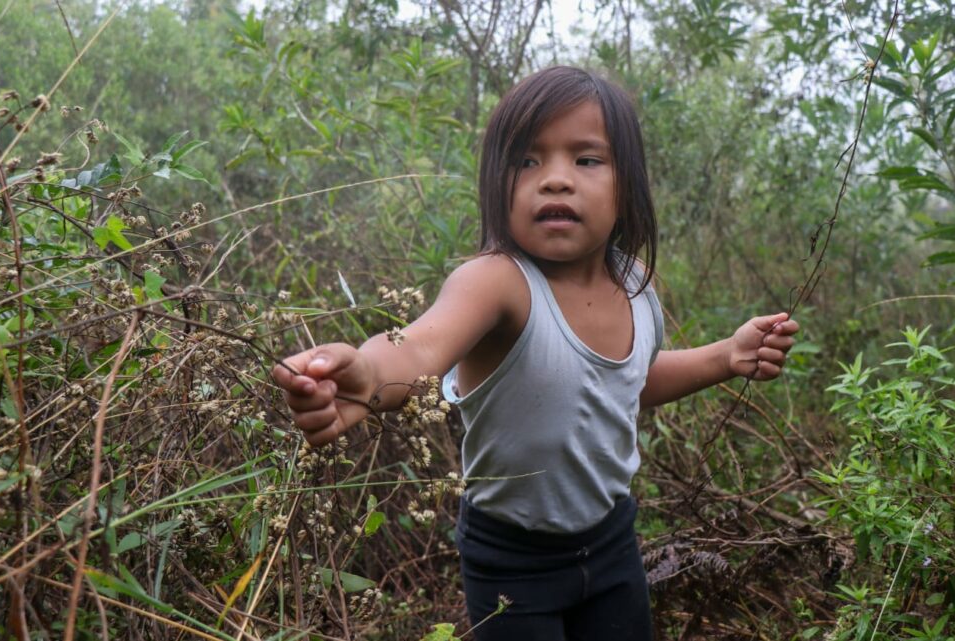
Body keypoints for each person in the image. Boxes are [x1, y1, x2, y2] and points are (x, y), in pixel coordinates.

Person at [271, 66, 799, 641]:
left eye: (587, 159)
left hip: (612, 539)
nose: (555, 180)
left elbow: (631, 386)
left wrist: (726, 356)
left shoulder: (636, 284)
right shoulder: (497, 283)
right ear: (499, 184)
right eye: (527, 161)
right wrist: (365, 374)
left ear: (629, 185)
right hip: (511, 558)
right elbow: (420, 346)